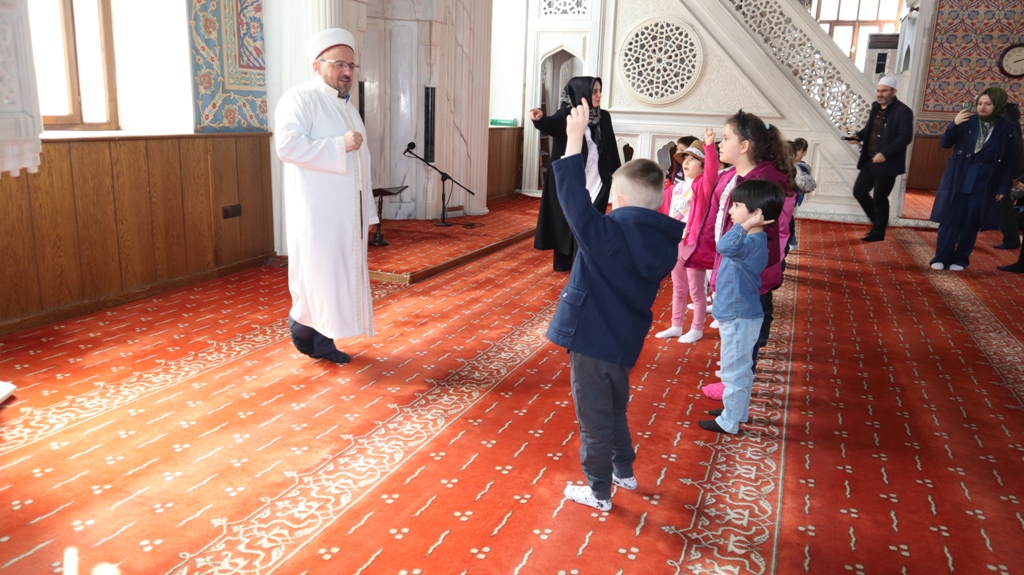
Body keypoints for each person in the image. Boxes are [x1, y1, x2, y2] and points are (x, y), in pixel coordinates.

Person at [546, 99, 684, 511]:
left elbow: (571, 199)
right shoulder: (661, 242)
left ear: (618, 201)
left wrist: (573, 140)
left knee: (594, 419)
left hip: (592, 342)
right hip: (624, 344)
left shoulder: (606, 235)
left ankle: (599, 490)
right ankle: (624, 470)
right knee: (614, 408)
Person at [275, 28, 378, 364]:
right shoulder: (299, 98)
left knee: (338, 278)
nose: (347, 71)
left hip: (348, 213)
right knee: (319, 278)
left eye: (351, 65)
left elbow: (362, 165)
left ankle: (322, 339)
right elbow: (287, 146)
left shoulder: (348, 109)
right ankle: (306, 333)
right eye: (338, 64)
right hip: (318, 213)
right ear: (317, 67)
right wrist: (339, 145)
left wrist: (370, 215)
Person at [685, 110, 793, 399]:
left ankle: (736, 394)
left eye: (726, 138)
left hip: (749, 273)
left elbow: (765, 238)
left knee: (744, 335)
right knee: (734, 333)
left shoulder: (763, 182)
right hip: (732, 263)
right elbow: (718, 215)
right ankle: (733, 380)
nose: (721, 143)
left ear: (744, 146)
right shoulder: (734, 174)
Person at [698, 180, 785, 434]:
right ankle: (736, 411)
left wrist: (744, 224)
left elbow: (723, 245)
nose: (731, 211)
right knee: (740, 369)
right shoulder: (751, 239)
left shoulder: (751, 243)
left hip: (739, 317)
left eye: (736, 206)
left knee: (733, 372)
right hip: (738, 315)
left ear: (756, 214)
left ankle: (729, 422)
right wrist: (746, 224)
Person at [529, 77, 621, 271]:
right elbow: (551, 125)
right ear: (582, 93)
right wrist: (539, 118)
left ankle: (585, 262)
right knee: (567, 220)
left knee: (592, 221)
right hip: (573, 178)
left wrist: (618, 172)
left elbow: (611, 145)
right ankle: (565, 262)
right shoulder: (567, 115)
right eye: (595, 91)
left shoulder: (603, 116)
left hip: (597, 178)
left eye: (599, 90)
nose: (599, 95)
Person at [929, 87, 1020, 271]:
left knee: (971, 222)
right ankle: (940, 257)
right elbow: (944, 143)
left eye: (988, 104)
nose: (982, 107)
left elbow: (1008, 162)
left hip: (984, 182)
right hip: (958, 178)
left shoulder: (1006, 128)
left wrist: (1003, 188)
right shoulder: (966, 121)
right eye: (980, 103)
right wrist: (954, 124)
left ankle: (960, 260)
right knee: (949, 219)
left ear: (998, 104)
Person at [655, 128, 719, 344]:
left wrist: (709, 147)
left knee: (696, 291)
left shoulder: (702, 186)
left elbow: (711, 172)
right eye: (686, 158)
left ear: (702, 165)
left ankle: (697, 328)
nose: (687, 162)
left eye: (693, 159)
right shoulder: (675, 188)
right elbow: (663, 210)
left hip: (693, 245)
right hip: (676, 244)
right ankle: (676, 325)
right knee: (678, 288)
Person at [845, 76, 914, 242]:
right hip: (870, 159)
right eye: (878, 90)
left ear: (893, 92)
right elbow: (870, 128)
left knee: (879, 198)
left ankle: (878, 232)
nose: (880, 94)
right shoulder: (876, 107)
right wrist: (858, 136)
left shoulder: (903, 111)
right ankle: (879, 224)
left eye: (884, 90)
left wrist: (885, 154)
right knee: (859, 191)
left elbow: (905, 137)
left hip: (888, 163)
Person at [994, 101, 1023, 250]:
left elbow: (1012, 151)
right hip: (1008, 171)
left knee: (1004, 204)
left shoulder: (1007, 123)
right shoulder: (1012, 121)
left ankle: (1011, 239)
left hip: (1004, 171)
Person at [787, 138, 816, 250]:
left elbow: (806, 185)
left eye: (799, 151)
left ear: (804, 153)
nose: (796, 154)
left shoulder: (802, 167)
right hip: (787, 199)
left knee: (789, 220)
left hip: (793, 199)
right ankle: (792, 241)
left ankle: (792, 241)